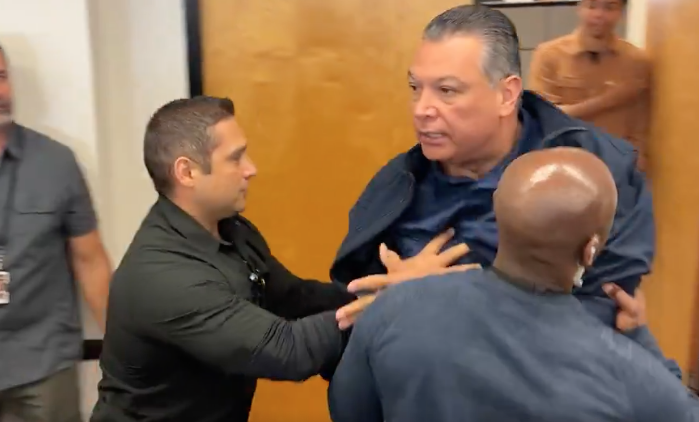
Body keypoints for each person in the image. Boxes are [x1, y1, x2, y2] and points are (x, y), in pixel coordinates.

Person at [329, 4, 672, 369]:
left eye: (447, 90)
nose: (421, 109)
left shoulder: (599, 174)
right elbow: (358, 313)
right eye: (416, 87)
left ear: (507, 95)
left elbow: (597, 319)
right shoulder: (399, 186)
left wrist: (425, 299)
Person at [90, 96, 468, 422]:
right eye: (235, 158)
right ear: (187, 172)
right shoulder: (164, 277)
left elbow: (294, 298)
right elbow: (288, 350)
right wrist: (398, 297)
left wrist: (385, 289)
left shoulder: (232, 231)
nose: (251, 168)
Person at [328, 148, 699, 422]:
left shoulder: (393, 308)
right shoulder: (627, 374)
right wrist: (641, 340)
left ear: (499, 218)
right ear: (591, 248)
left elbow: (347, 408)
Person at [0, 33, 113, 421]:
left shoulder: (56, 163)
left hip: (43, 364)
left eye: (0, 76)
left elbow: (91, 262)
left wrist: (126, 355)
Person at [528, 0, 651, 170]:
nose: (599, 15)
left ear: (622, 11)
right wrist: (609, 100)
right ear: (580, 7)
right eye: (592, 5)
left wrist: (636, 163)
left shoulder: (636, 61)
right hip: (563, 164)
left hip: (616, 167)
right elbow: (544, 117)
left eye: (609, 7)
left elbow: (641, 125)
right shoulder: (549, 55)